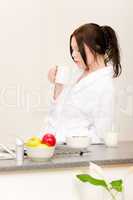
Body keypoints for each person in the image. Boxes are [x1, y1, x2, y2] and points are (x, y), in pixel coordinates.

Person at [42, 23, 122, 144]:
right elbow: (57, 114)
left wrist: (70, 140)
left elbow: (101, 135)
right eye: (72, 49)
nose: (73, 55)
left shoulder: (105, 87)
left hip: (76, 154)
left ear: (96, 47)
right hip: (52, 146)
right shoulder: (76, 74)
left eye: (78, 50)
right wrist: (57, 85)